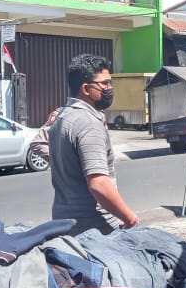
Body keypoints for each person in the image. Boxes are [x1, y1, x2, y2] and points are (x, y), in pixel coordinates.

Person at [49, 54, 138, 235]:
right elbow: (98, 184)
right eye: (104, 84)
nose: (109, 89)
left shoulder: (62, 117)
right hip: (94, 228)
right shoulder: (88, 123)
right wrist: (129, 218)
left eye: (110, 83)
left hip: (64, 222)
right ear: (86, 89)